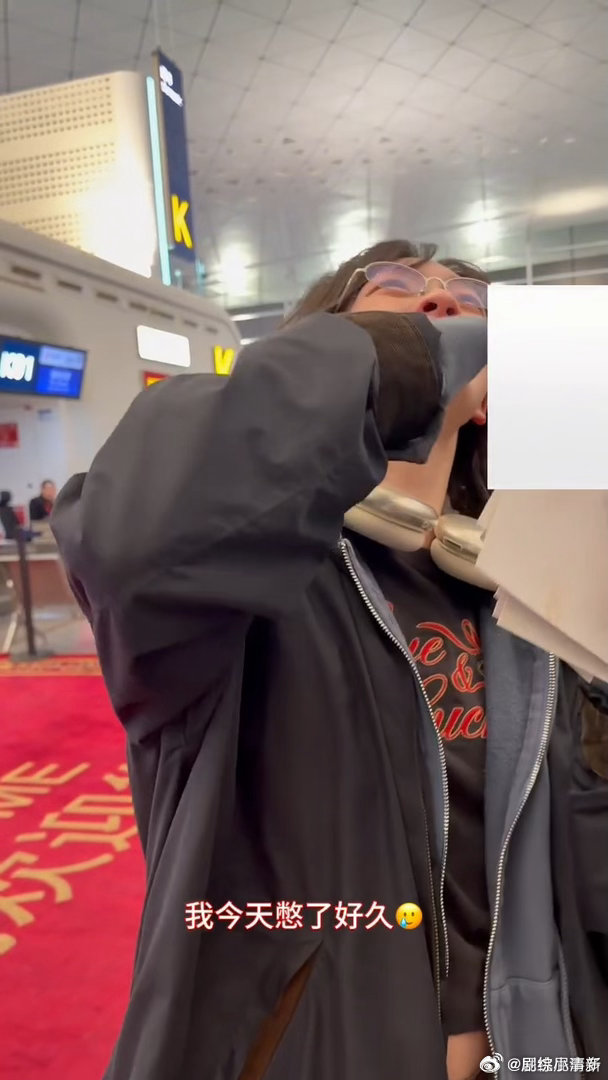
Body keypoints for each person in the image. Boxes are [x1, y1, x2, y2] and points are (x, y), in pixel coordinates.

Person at [50, 240, 608, 1080]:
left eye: (468, 297)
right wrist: (425, 357)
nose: (438, 301)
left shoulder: (531, 600)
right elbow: (132, 535)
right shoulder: (239, 581)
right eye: (395, 287)